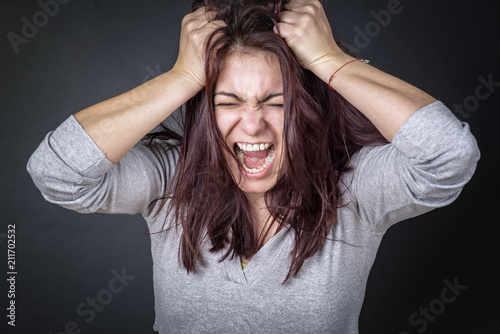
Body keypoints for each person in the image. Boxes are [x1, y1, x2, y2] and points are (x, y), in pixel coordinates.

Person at [27, 0, 480, 332]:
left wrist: (329, 61)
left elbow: (449, 156)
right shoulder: (171, 180)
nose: (252, 124)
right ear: (205, 110)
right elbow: (56, 172)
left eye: (276, 102)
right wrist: (183, 76)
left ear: (305, 110)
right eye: (228, 101)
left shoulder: (355, 191)